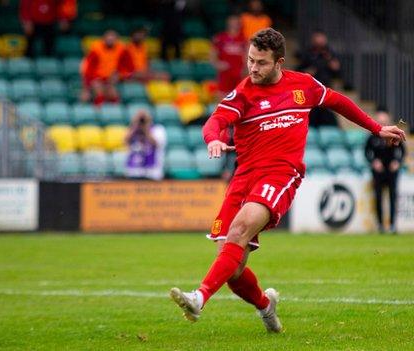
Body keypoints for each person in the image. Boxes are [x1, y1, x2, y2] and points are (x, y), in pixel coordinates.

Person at [169, 28, 405, 332]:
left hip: (281, 173)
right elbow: (216, 121)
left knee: (239, 230)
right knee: (233, 267)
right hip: (243, 178)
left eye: (261, 63)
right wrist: (213, 139)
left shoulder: (303, 85)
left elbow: (337, 101)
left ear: (279, 62)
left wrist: (376, 128)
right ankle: (266, 307)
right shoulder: (243, 92)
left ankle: (199, 298)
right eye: (251, 60)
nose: (253, 68)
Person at [365, 109, 406, 234]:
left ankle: (393, 225)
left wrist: (397, 162)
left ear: (388, 120)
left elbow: (403, 151)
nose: (382, 122)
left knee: (393, 197)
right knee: (378, 197)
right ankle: (380, 225)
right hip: (378, 171)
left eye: (384, 120)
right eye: (380, 120)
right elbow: (366, 152)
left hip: (392, 171)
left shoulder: (393, 134)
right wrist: (373, 162)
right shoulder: (372, 136)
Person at [297, 30, 341, 127]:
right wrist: (307, 72)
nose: (320, 40)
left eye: (322, 38)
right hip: (311, 91)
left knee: (328, 117)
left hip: (326, 89)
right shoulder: (308, 53)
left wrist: (334, 66)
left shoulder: (330, 53)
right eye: (318, 37)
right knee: (312, 118)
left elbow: (337, 71)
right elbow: (299, 70)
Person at [80, 30, 125, 105]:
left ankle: (115, 112)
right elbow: (89, 69)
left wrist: (118, 75)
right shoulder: (96, 49)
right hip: (96, 78)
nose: (110, 41)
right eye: (108, 39)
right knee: (98, 90)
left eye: (113, 39)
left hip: (110, 79)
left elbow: (123, 67)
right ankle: (99, 111)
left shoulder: (121, 49)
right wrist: (87, 85)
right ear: (104, 39)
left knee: (113, 93)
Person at [125, 110, 167, 180]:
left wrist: (146, 128)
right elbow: (126, 141)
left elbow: (156, 144)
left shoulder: (158, 129)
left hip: (152, 172)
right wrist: (135, 125)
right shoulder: (133, 129)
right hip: (134, 171)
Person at [211, 15, 247, 97]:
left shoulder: (244, 39)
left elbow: (247, 56)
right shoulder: (220, 38)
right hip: (225, 74)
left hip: (239, 74)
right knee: (222, 99)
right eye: (232, 23)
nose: (234, 25)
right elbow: (212, 54)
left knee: (239, 99)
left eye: (236, 23)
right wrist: (217, 64)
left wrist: (245, 69)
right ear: (228, 24)